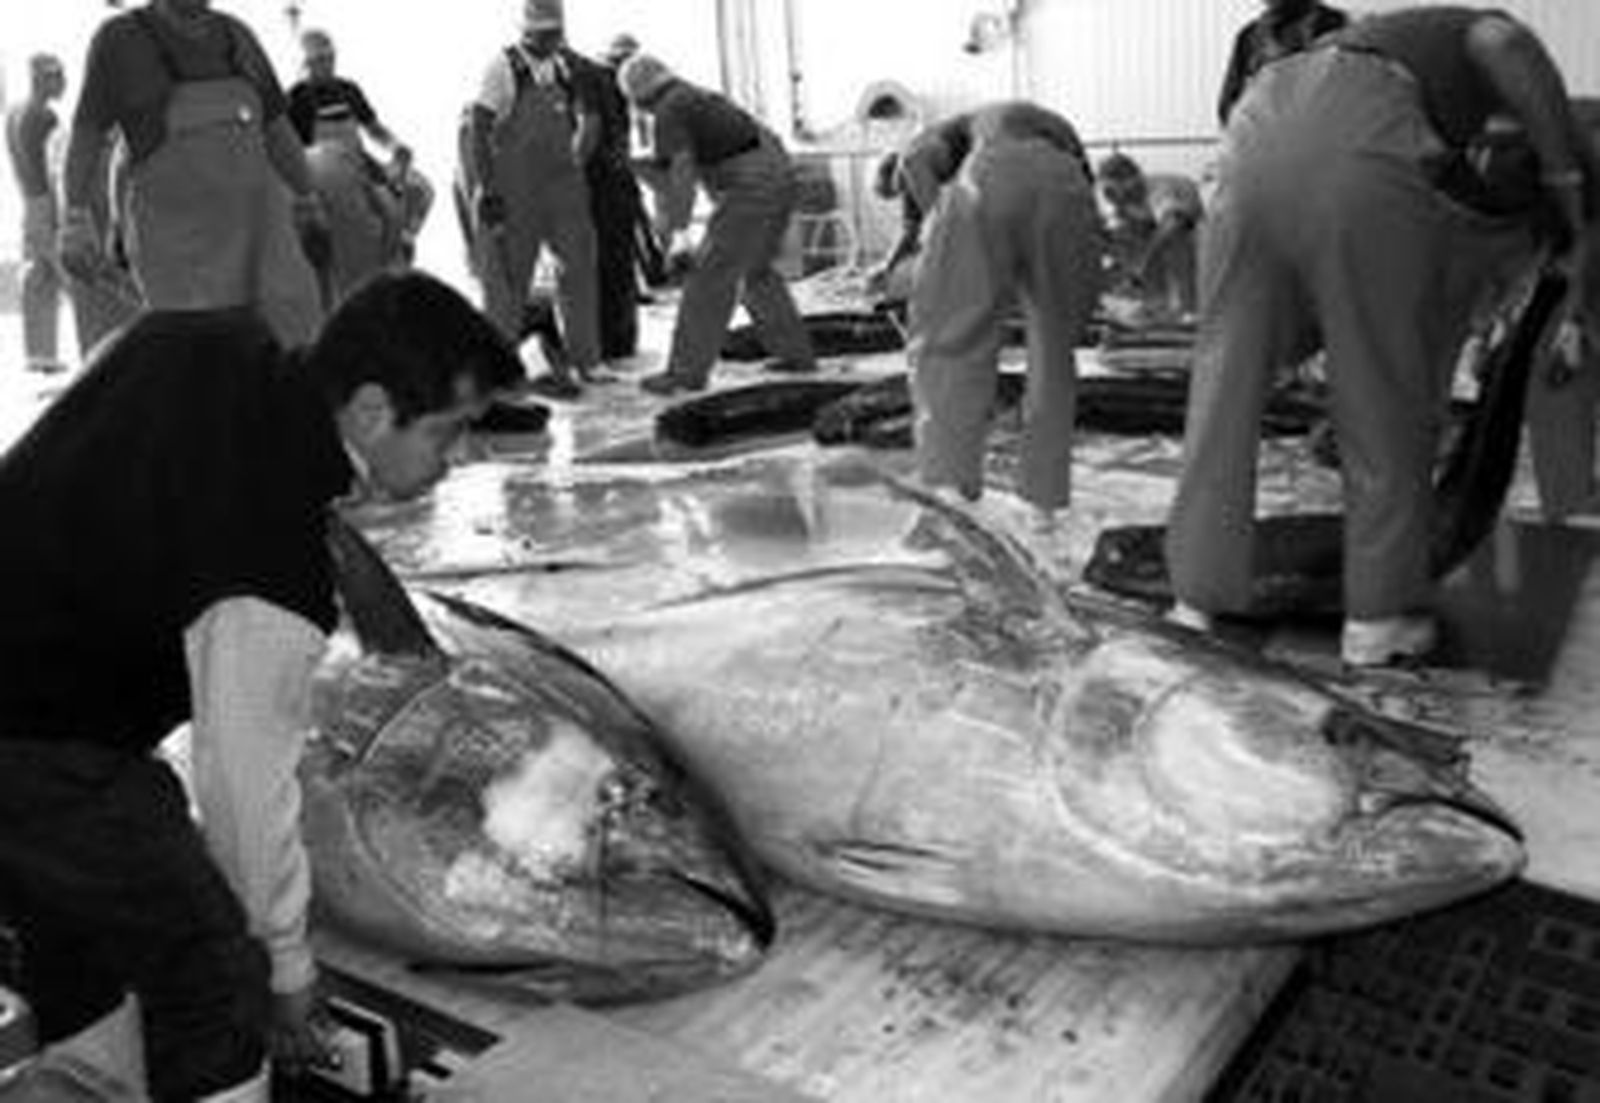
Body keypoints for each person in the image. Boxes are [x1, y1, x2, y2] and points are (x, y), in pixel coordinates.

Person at [0, 271, 522, 1103]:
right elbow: (243, 789)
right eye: (450, 433)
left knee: (83, 932)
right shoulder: (272, 567)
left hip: (31, 697)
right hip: (42, 745)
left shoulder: (204, 334)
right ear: (371, 409)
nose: (457, 462)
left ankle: (69, 1083)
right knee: (215, 979)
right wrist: (284, 967)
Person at [1166, 7, 1600, 667]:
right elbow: (1502, 41)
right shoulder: (1516, 79)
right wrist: (1571, 194)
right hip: (1356, 145)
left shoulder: (1395, 57)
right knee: (1383, 391)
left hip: (1247, 147)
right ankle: (1379, 616)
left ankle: (1195, 596)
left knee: (1225, 379)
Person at [867, 102, 1102, 529]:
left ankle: (952, 485)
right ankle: (1042, 500)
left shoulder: (924, 144)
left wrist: (936, 251)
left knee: (951, 338)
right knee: (1053, 347)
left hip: (989, 179)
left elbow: (922, 182)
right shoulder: (1040, 124)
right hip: (1067, 190)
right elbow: (1085, 192)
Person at [58, 0, 328, 347]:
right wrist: (75, 218)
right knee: (192, 357)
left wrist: (308, 198)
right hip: (177, 248)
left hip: (261, 240)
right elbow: (87, 133)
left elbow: (277, 129)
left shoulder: (240, 36)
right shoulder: (119, 40)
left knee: (285, 343)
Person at [617, 52, 816, 395]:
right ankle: (796, 355)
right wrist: (639, 166)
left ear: (639, 97)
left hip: (751, 187)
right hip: (778, 174)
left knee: (709, 275)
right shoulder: (695, 97)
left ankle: (684, 373)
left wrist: (676, 233)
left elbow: (680, 174)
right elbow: (683, 162)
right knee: (756, 272)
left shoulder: (668, 111)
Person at [459, 0, 602, 400]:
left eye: (556, 34)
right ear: (527, 32)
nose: (551, 41)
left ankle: (587, 361)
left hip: (561, 189)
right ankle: (497, 375)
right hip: (514, 192)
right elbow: (478, 129)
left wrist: (574, 161)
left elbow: (580, 118)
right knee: (508, 284)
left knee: (579, 269)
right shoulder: (503, 68)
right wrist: (487, 189)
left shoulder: (561, 67)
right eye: (543, 35)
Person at [287, 28, 429, 303]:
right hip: (323, 175)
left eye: (328, 58)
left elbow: (374, 129)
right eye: (317, 60)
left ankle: (396, 258)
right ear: (304, 64)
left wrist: (395, 146)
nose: (325, 65)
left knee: (419, 190)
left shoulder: (349, 90)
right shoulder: (295, 98)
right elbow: (290, 149)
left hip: (359, 164)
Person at [566, 34, 649, 361]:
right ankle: (619, 343)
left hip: (603, 189)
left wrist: (564, 175)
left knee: (606, 267)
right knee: (616, 267)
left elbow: (591, 129)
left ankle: (611, 345)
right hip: (613, 187)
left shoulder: (582, 75)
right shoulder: (607, 83)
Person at [5, 55, 69, 374]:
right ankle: (54, 354)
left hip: (28, 201)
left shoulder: (15, 113)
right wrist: (61, 212)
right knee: (59, 274)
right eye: (59, 77)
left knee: (36, 276)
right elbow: (55, 171)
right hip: (46, 201)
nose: (65, 83)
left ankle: (39, 353)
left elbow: (19, 166)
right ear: (43, 79)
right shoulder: (45, 118)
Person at [1096, 151, 1203, 321]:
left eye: (1112, 191)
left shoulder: (1161, 188)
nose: (1112, 199)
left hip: (1192, 246)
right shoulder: (1125, 205)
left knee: (1174, 239)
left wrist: (1142, 264)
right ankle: (1150, 305)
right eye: (1107, 194)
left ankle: (1186, 310)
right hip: (1158, 267)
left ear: (1134, 178)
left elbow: (1172, 223)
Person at [1217, 0, 1348, 126]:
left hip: (1324, 139)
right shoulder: (1249, 37)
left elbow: (1227, 110)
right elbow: (1227, 108)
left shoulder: (1341, 29)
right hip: (1269, 140)